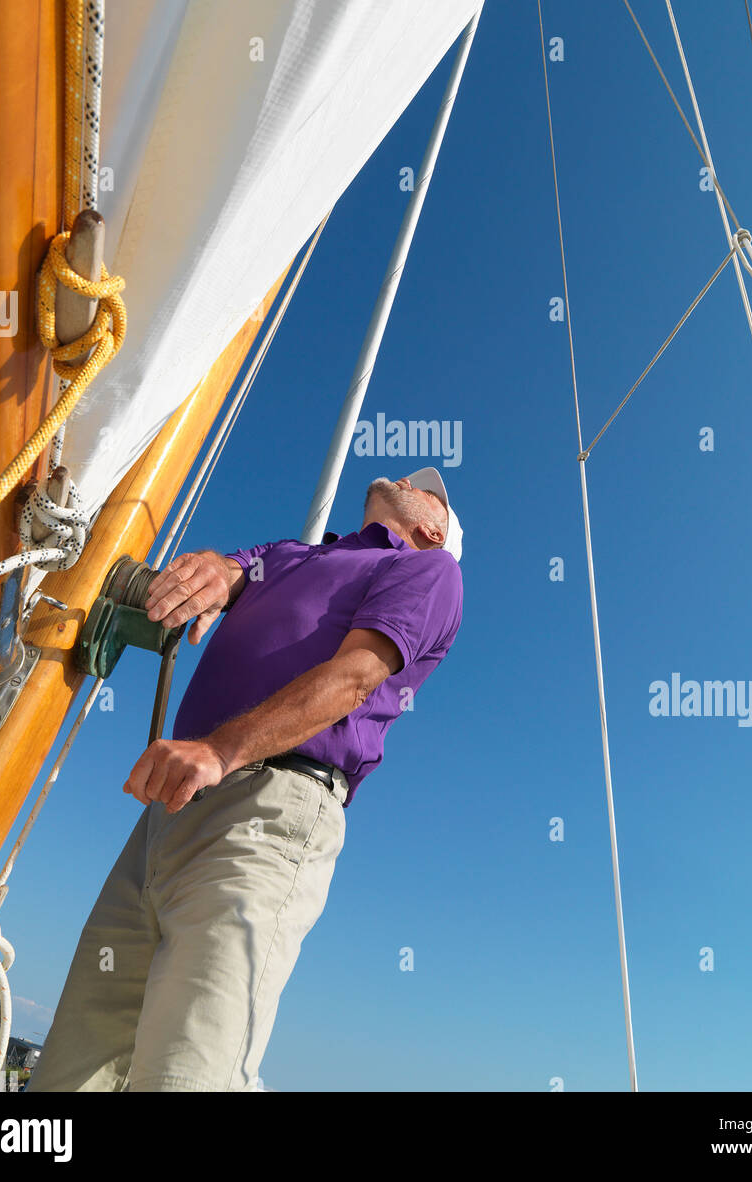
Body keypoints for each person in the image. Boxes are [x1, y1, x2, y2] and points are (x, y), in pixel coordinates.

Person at [27, 468, 463, 1092]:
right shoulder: (291, 554)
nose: (401, 474)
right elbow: (230, 570)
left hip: (270, 813)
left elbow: (357, 677)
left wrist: (218, 750)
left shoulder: (430, 569)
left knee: (190, 1066)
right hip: (171, 814)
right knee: (71, 1069)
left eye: (426, 486)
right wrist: (209, 572)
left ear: (431, 527)